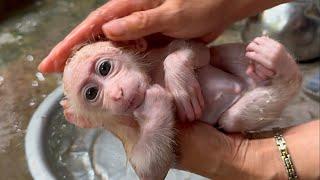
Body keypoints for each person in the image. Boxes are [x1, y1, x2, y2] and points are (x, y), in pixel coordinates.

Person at [38, 0, 320, 179]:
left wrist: (178, 62)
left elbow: (203, 54)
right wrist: (157, 119)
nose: (115, 93)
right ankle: (285, 81)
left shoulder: (157, 57)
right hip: (237, 110)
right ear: (84, 119)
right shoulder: (130, 123)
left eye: (105, 68)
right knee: (234, 119)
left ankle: (282, 74)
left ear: (135, 47)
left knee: (229, 53)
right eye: (92, 94)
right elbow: (150, 172)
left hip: (239, 72)